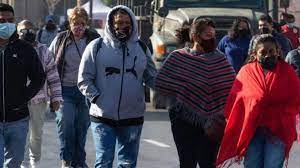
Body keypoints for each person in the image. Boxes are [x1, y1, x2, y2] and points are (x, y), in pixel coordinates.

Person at [78, 5, 157, 168]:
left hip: (132, 115)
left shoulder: (141, 48)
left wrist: (173, 88)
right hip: (102, 115)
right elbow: (83, 79)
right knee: (104, 161)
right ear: (111, 23)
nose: (122, 27)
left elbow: (152, 77)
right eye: (119, 23)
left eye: (127, 23)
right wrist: (97, 98)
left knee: (128, 163)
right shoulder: (96, 47)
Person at [155, 18, 236, 168]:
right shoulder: (178, 57)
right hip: (182, 120)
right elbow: (162, 81)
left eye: (213, 35)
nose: (211, 39)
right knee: (187, 162)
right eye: (207, 35)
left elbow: (233, 87)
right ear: (195, 36)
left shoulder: (220, 60)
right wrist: (179, 96)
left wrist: (220, 114)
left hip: (213, 123)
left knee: (208, 163)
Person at [217, 34, 300, 168]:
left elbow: (296, 99)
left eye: (271, 51)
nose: (268, 55)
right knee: (252, 165)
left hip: (278, 129)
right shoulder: (246, 72)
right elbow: (237, 99)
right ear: (255, 54)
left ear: (277, 51)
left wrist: (274, 107)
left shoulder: (287, 72)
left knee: (272, 165)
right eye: (263, 52)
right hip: (252, 128)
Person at [49, 7, 99, 168]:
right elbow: (49, 62)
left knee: (82, 127)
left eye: (82, 23)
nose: (78, 27)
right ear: (69, 24)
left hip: (87, 91)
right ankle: (67, 159)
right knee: (65, 122)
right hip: (65, 90)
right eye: (75, 23)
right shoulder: (60, 39)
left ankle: (79, 161)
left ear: (87, 25)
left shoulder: (95, 40)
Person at [0, 3, 46, 168]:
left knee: (15, 163)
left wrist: (25, 96)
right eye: (1, 20)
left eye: (9, 20)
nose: (5, 23)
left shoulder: (25, 49)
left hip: (18, 118)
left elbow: (39, 76)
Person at [17, 20, 63, 168]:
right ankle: (23, 164)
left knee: (36, 134)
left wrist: (56, 97)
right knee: (21, 134)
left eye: (31, 30)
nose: (28, 33)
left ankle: (34, 161)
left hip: (38, 101)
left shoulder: (43, 50)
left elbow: (53, 76)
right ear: (17, 31)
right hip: (17, 101)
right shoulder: (12, 48)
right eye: (24, 30)